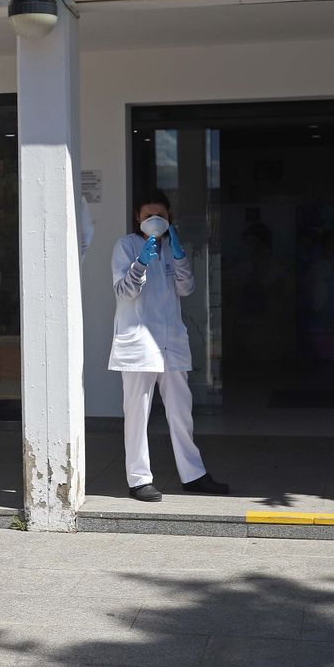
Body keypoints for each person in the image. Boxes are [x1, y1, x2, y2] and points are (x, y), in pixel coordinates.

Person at [109, 191, 229, 502]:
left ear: (169, 217)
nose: (154, 221)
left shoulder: (172, 248)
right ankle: (139, 480)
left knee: (181, 412)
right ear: (138, 218)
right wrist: (141, 264)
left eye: (159, 215)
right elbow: (124, 292)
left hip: (171, 343)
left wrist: (178, 256)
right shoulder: (126, 246)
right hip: (139, 345)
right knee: (137, 413)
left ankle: (194, 474)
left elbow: (186, 287)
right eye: (148, 216)